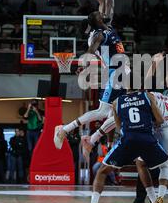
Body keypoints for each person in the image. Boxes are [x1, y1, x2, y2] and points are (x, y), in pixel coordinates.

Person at [81, 90, 168, 203]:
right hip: (147, 139)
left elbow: (118, 126)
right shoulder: (148, 96)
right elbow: (160, 120)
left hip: (128, 140)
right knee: (165, 165)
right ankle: (157, 202)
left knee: (102, 171)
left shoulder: (117, 102)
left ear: (127, 86)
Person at [54, 10, 127, 149]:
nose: (102, 13)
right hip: (112, 73)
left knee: (118, 113)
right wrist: (84, 65)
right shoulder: (99, 34)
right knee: (102, 113)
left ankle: (99, 142)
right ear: (98, 21)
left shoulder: (109, 28)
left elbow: (108, 2)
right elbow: (90, 51)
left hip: (121, 73)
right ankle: (64, 130)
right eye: (99, 14)